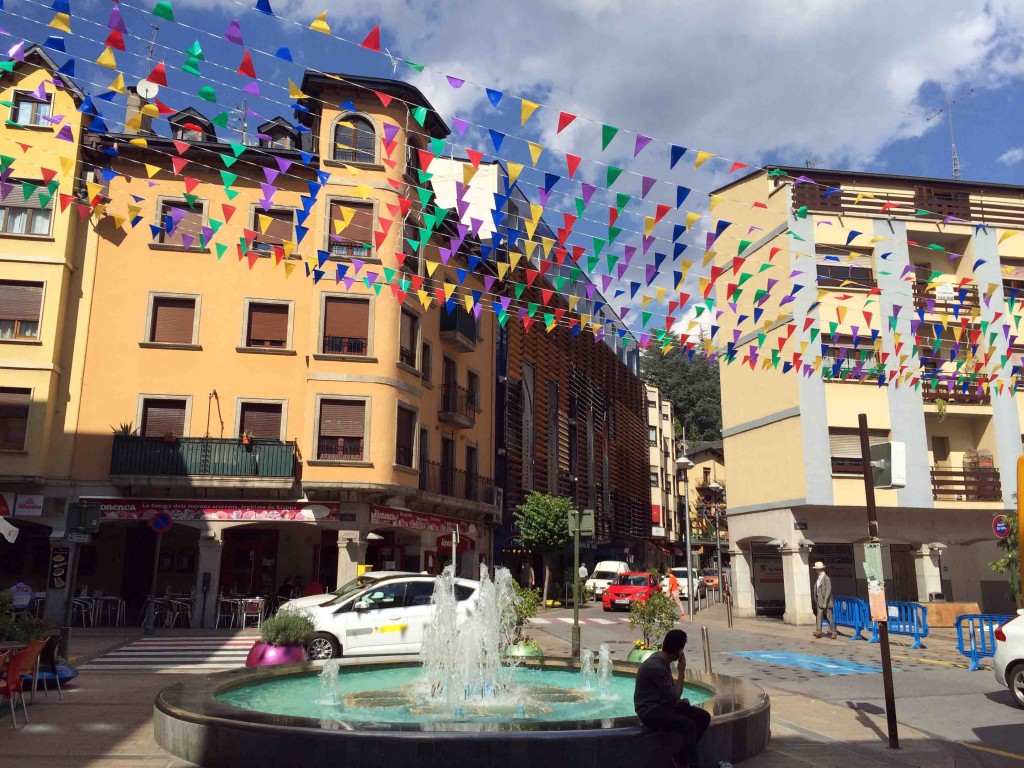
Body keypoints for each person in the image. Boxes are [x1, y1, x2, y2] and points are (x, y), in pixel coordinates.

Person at [634, 629, 710, 768]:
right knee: (689, 725)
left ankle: (681, 756)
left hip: (663, 705)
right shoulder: (657, 667)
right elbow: (675, 697)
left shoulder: (662, 660)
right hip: (650, 711)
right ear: (679, 651)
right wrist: (681, 671)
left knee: (703, 717)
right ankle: (688, 763)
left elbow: (670, 695)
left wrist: (679, 702)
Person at [813, 561, 836, 639]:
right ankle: (818, 631)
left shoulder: (826, 579)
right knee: (819, 616)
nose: (816, 570)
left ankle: (834, 632)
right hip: (819, 601)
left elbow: (828, 591)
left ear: (819, 569)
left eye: (816, 569)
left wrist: (825, 602)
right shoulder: (818, 579)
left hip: (826, 602)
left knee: (829, 617)